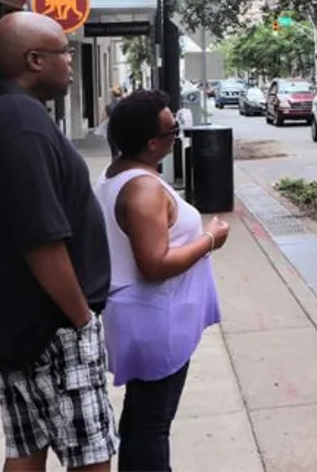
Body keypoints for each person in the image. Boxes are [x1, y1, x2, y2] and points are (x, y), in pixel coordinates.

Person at [0, 11, 116, 472]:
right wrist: (80, 322)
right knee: (91, 459)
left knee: (25, 451)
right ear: (34, 60)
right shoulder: (22, 125)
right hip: (52, 331)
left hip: (11, 328)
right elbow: (42, 241)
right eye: (64, 52)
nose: (71, 61)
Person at [97, 89, 226, 472]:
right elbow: (153, 264)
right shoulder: (143, 190)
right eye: (173, 131)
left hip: (145, 317)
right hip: (153, 321)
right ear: (153, 143)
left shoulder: (119, 173)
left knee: (141, 417)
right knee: (154, 424)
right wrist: (209, 240)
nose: (178, 135)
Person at [105, 86, 124, 160]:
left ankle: (115, 166)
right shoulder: (124, 104)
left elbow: (106, 116)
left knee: (114, 153)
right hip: (121, 131)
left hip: (111, 132)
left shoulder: (109, 105)